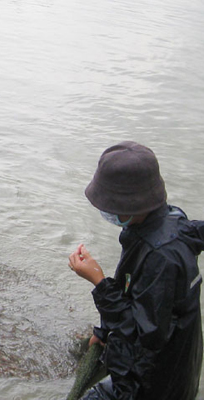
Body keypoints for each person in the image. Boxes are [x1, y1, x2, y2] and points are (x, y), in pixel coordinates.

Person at [68, 141, 203, 400]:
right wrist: (104, 332)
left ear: (128, 205)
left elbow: (145, 334)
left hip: (152, 385)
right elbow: (135, 293)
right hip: (174, 369)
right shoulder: (167, 222)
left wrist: (98, 281)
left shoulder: (160, 256)